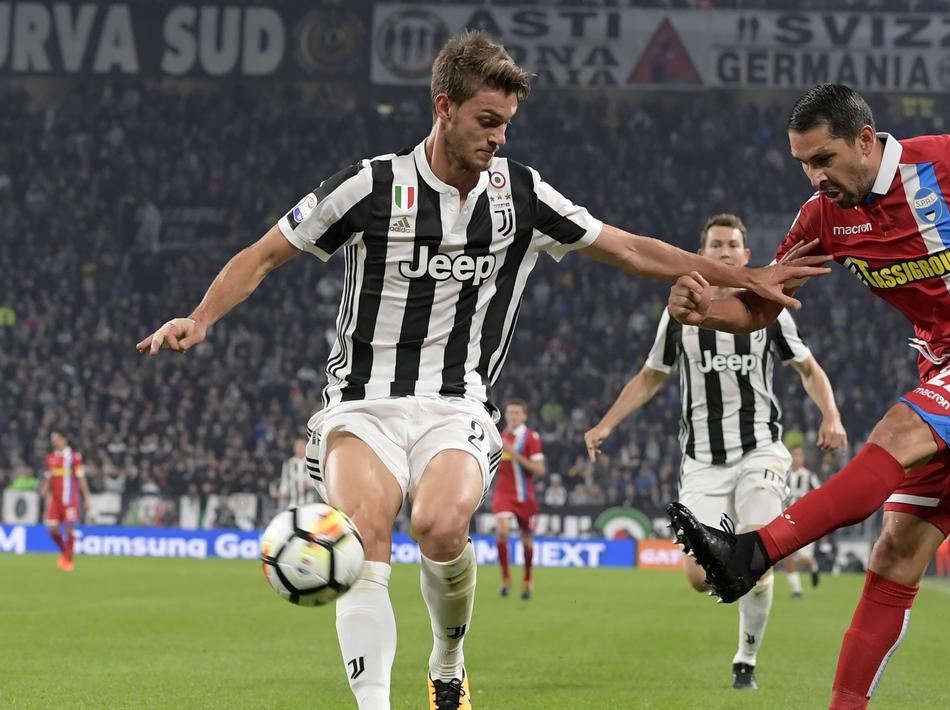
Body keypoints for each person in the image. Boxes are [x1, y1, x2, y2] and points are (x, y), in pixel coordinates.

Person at [135, 31, 824, 710]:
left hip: (457, 405)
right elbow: (262, 254)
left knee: (438, 526)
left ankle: (447, 661)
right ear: (443, 108)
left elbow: (629, 250)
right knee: (366, 529)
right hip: (359, 405)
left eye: (506, 125)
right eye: (485, 121)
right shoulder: (371, 186)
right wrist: (201, 317)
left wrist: (743, 275)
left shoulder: (519, 193)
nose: (497, 137)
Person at [665, 83, 950, 709]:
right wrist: (706, 311)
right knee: (895, 551)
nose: (814, 177)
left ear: (865, 140)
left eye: (823, 159)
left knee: (896, 430)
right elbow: (763, 305)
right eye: (803, 165)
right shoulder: (822, 217)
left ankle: (753, 553)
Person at [585, 213, 846, 691]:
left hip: (760, 452)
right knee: (697, 577)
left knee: (758, 552)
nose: (725, 253)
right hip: (702, 461)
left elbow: (809, 370)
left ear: (746, 256)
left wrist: (831, 414)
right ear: (701, 254)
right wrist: (606, 422)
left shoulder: (770, 310)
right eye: (716, 246)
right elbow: (651, 376)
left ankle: (745, 658)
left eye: (733, 246)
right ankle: (743, 601)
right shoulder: (680, 314)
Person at [492, 399, 545, 600]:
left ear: (524, 416)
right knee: (502, 531)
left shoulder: (531, 437)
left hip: (525, 496)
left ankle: (527, 580)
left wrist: (514, 454)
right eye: (510, 412)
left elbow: (540, 470)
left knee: (526, 539)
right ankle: (506, 578)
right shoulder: (499, 437)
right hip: (503, 494)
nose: (512, 416)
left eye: (517, 413)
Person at [40, 431, 90, 572]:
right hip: (55, 500)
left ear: (65, 439)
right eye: (53, 439)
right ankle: (65, 553)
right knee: (51, 527)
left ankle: (68, 560)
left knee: (69, 528)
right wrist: (45, 488)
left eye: (56, 439)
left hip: (69, 499)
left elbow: (80, 477)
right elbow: (49, 477)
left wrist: (86, 496)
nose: (54, 442)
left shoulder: (74, 457)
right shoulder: (50, 458)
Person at [784, 446, 826, 597]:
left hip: (806, 522)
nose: (797, 458)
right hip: (787, 521)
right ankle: (797, 591)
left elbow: (821, 495)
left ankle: (814, 567)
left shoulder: (809, 476)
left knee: (804, 559)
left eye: (799, 455)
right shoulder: (784, 476)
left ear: (803, 458)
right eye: (794, 455)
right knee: (789, 556)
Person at [277, 437, 318, 510]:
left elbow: (318, 482)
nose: (299, 448)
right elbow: (284, 481)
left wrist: (311, 485)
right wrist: (283, 492)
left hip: (309, 502)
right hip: (292, 503)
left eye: (301, 446)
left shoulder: (312, 462)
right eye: (297, 446)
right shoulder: (288, 463)